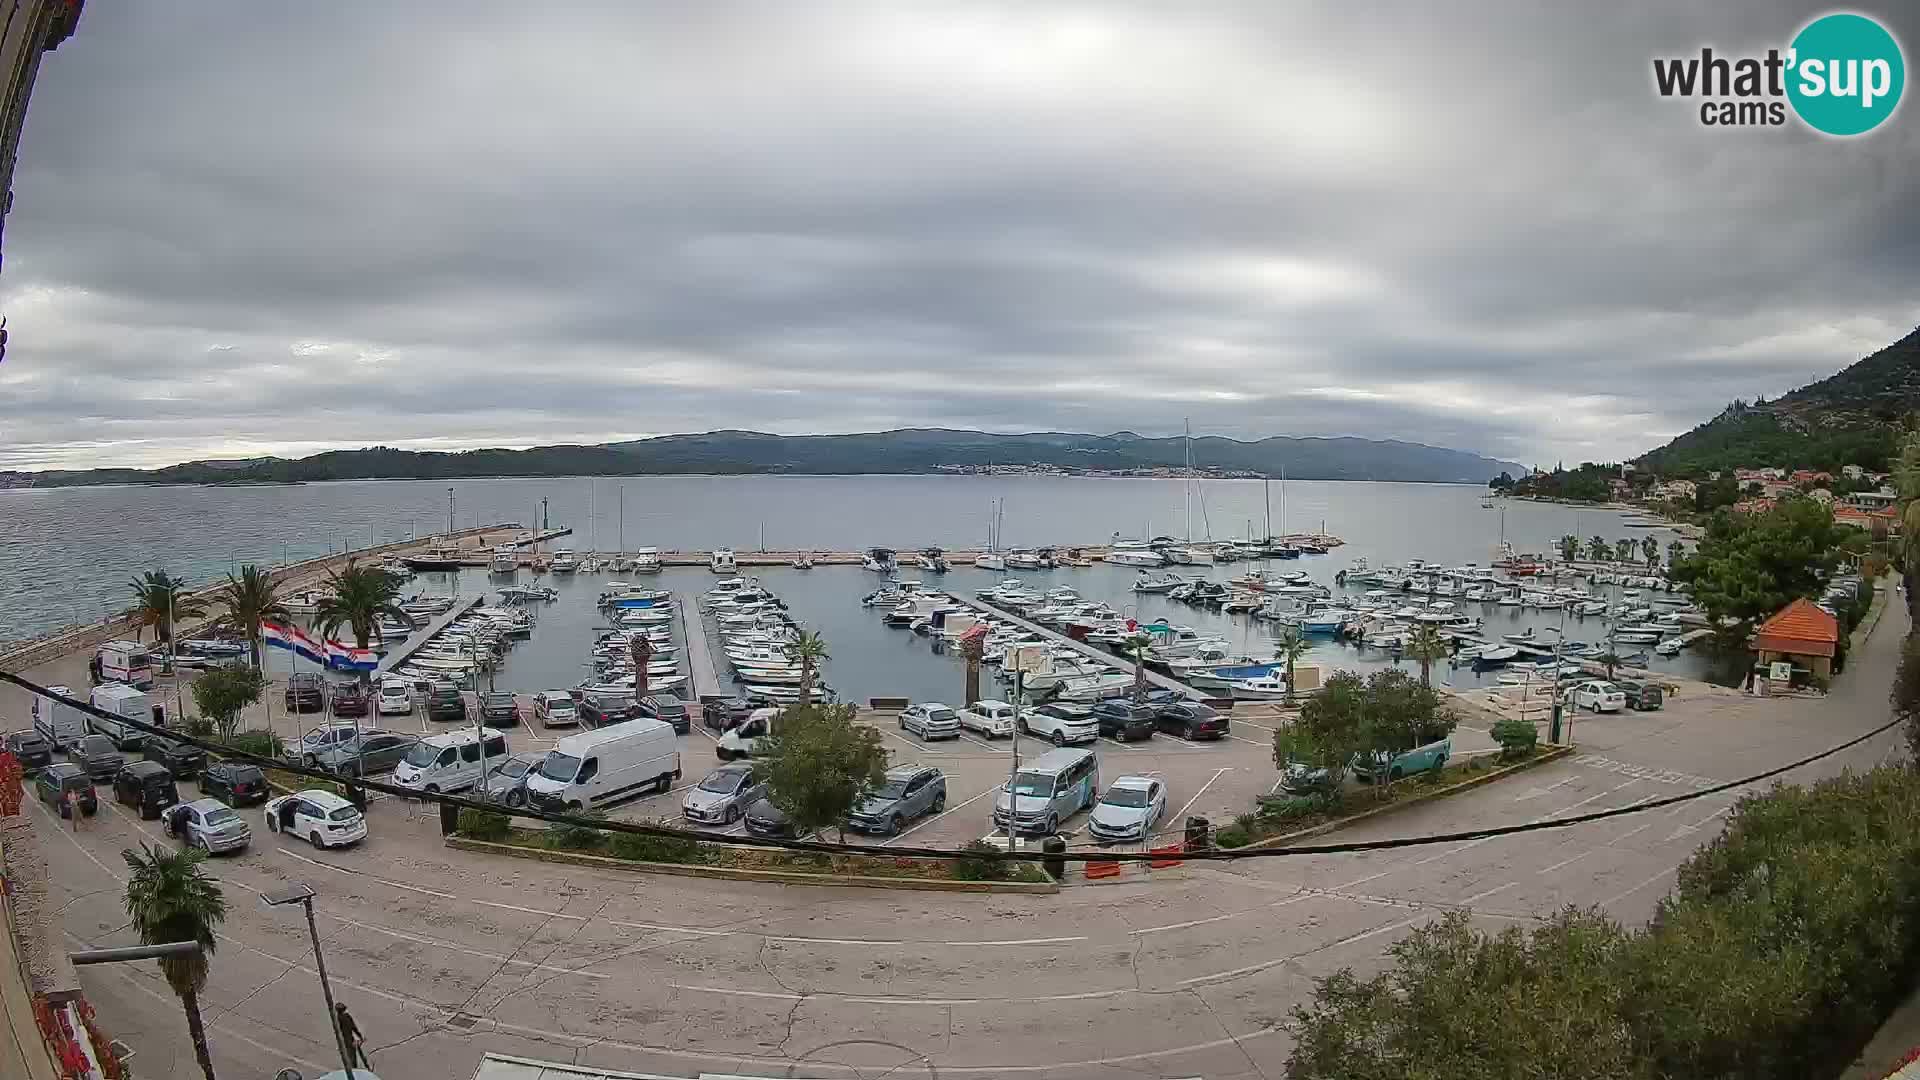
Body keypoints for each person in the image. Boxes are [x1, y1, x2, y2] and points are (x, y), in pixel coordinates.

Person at [333, 1002, 371, 1068]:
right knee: (353, 1057)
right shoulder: (347, 1016)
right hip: (350, 1039)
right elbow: (353, 1027)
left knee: (349, 1057)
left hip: (344, 1041)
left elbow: (337, 1031)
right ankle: (356, 1069)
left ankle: (353, 1069)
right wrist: (360, 1036)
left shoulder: (338, 1018)